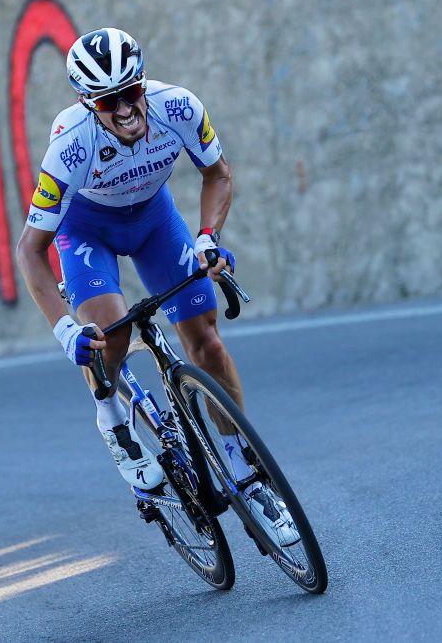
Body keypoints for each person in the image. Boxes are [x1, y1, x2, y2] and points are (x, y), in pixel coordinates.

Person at [16, 28, 297, 544]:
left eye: (131, 92)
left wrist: (209, 237)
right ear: (86, 102)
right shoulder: (70, 146)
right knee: (109, 337)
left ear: (143, 83)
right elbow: (31, 249)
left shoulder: (181, 107)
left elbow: (218, 174)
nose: (123, 109)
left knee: (207, 340)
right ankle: (112, 419)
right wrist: (63, 331)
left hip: (153, 220)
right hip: (87, 231)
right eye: (106, 100)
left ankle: (242, 465)